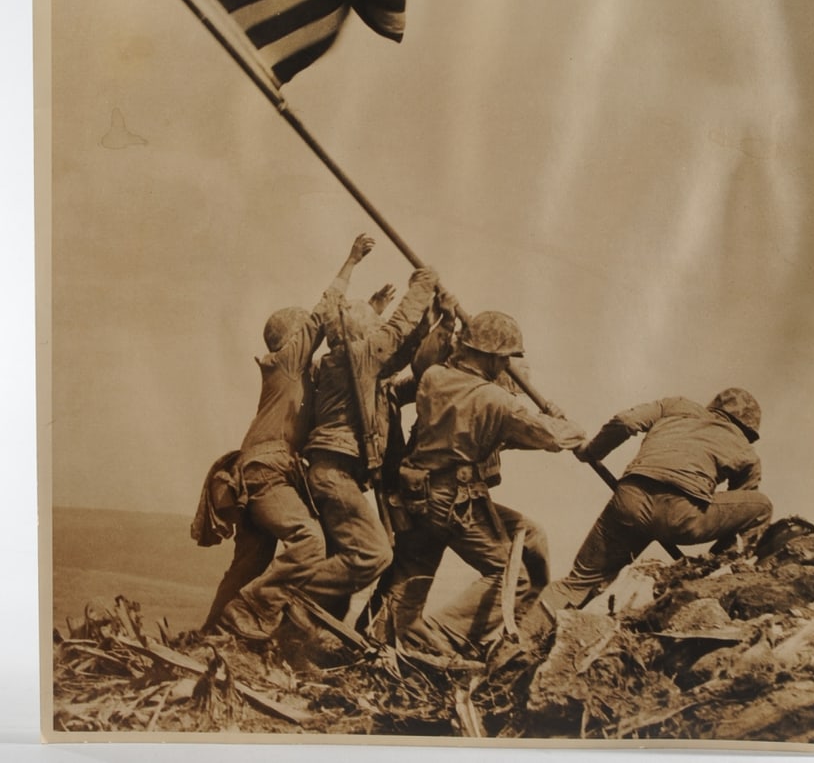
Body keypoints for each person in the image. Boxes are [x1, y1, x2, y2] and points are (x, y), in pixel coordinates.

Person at [193, 234, 375, 640]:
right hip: (266, 474)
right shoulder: (286, 364)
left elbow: (347, 350)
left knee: (249, 564)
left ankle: (212, 634)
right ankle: (252, 612)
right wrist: (351, 261)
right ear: (292, 339)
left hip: (259, 475)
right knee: (308, 540)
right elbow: (323, 311)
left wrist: (371, 313)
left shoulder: (300, 379)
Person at [393, 310, 586, 656]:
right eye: (504, 359)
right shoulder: (496, 401)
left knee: (410, 582)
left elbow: (471, 426)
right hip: (454, 500)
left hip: (417, 494)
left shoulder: (435, 377)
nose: (506, 366)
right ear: (493, 357)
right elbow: (553, 437)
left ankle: (395, 638)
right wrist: (564, 421)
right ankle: (444, 636)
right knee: (511, 578)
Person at [534, 387, 773, 618]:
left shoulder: (676, 406)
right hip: (681, 516)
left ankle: (516, 642)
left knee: (577, 582)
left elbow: (626, 421)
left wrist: (593, 452)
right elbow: (739, 516)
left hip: (630, 501)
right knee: (761, 506)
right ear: (748, 430)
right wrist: (718, 558)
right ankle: (720, 574)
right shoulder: (746, 451)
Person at [300, 259, 440, 619]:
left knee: (343, 564)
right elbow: (395, 333)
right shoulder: (355, 357)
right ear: (362, 334)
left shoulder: (347, 365)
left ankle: (303, 633)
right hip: (335, 473)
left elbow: (403, 352)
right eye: (373, 328)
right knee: (374, 554)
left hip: (335, 472)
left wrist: (435, 320)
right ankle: (284, 597)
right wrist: (423, 284)